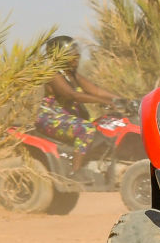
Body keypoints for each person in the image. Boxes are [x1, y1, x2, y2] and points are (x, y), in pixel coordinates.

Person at [35, 36, 122, 165]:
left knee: (104, 125)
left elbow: (95, 90)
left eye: (76, 50)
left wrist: (121, 99)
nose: (76, 55)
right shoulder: (53, 75)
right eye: (71, 52)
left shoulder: (71, 73)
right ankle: (75, 173)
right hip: (50, 118)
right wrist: (106, 102)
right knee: (86, 129)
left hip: (67, 117)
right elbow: (72, 95)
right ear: (60, 56)